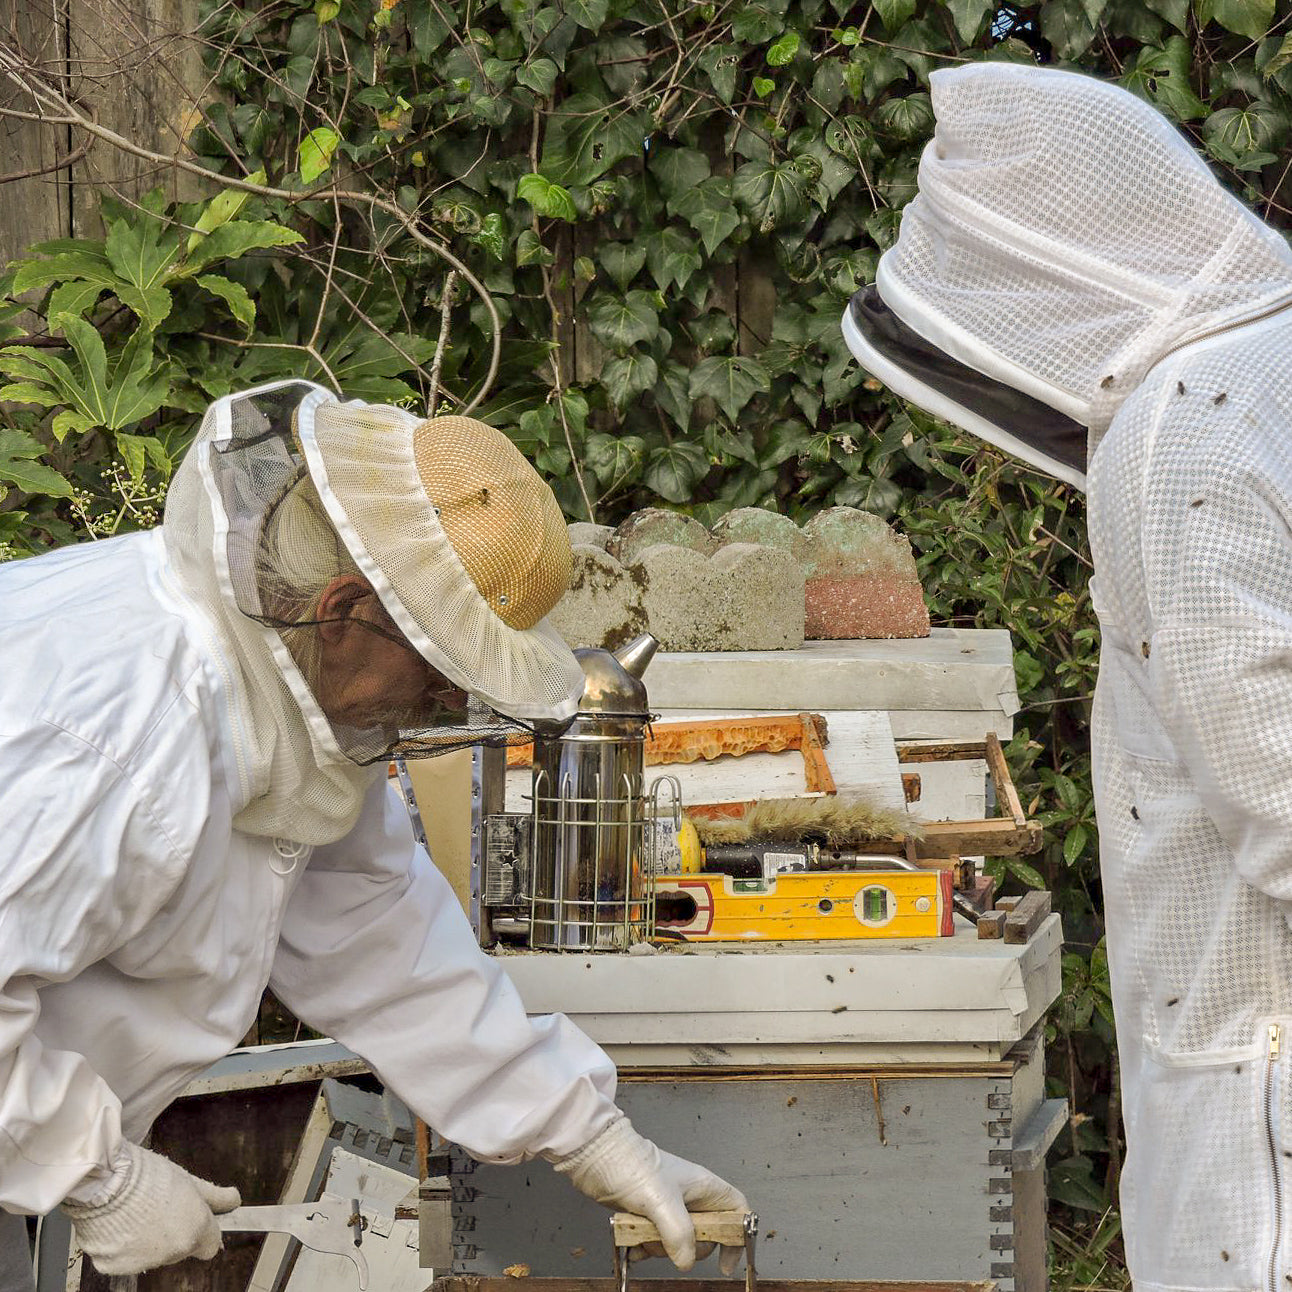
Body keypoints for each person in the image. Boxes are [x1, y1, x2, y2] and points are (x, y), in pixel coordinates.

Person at [0, 381, 746, 1288]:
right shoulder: (110, 734)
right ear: (348, 609)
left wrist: (588, 1133)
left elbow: (376, 931)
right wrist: (100, 1178)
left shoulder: (281, 692)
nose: (446, 701)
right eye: (442, 665)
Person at [842, 61, 1292, 1292]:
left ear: (1039, 271)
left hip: (1255, 1093)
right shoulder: (1272, 369)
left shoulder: (1186, 423)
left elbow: (1281, 801)